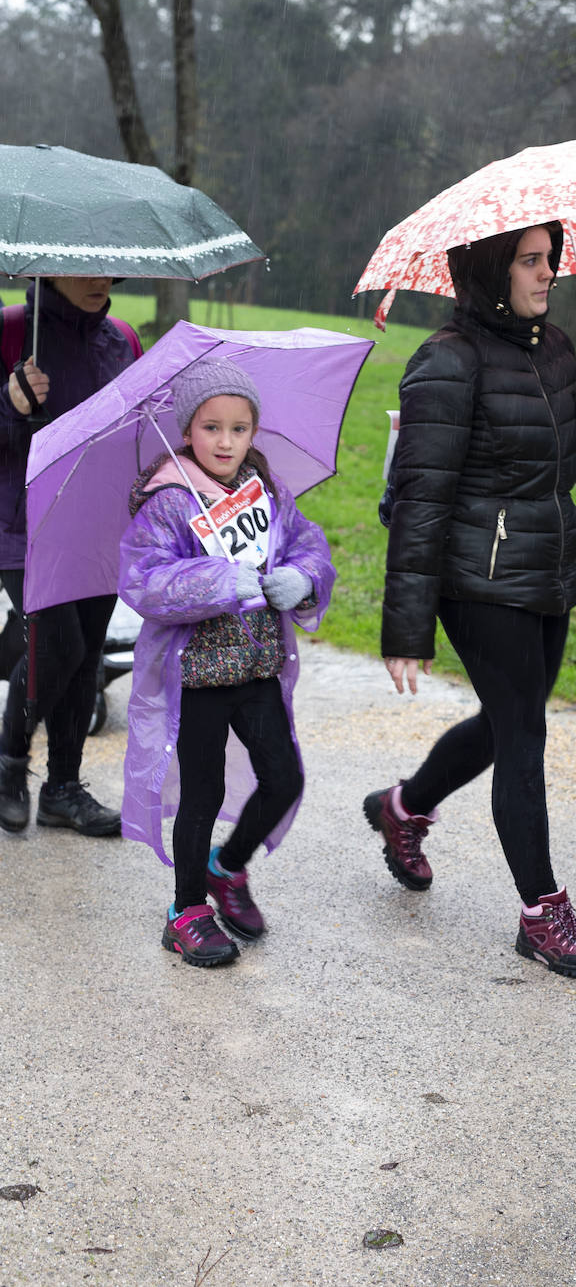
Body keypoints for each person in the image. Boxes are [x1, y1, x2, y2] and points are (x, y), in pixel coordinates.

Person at [363, 222, 576, 978]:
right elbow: (418, 502)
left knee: (512, 719)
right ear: (490, 268)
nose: (548, 274)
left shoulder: (554, 348)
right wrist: (405, 626)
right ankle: (543, 913)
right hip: (478, 581)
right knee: (522, 739)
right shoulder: (444, 362)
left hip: (547, 568)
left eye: (552, 259)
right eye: (530, 261)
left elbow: (569, 466)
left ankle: (403, 808)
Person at [118, 358, 335, 967]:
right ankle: (186, 911)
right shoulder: (166, 502)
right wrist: (218, 578)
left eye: (239, 428)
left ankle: (227, 867)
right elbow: (145, 580)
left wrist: (302, 576)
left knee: (285, 777)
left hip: (257, 667)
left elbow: (306, 543)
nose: (226, 441)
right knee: (203, 795)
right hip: (198, 679)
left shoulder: (264, 491)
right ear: (188, 430)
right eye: (212, 427)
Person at [0, 276, 138, 836]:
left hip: (98, 526)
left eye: (106, 265)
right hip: (24, 526)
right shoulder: (10, 331)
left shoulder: (123, 339)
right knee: (57, 645)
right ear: (49, 267)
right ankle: (9, 766)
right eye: (82, 265)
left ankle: (63, 789)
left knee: (84, 660)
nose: (97, 277)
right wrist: (9, 405)